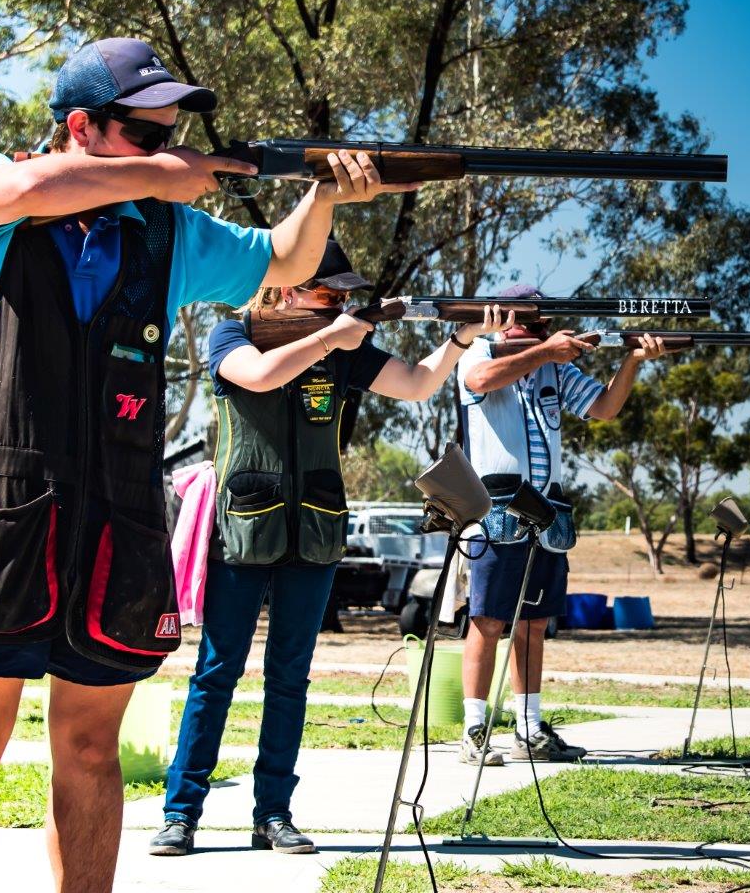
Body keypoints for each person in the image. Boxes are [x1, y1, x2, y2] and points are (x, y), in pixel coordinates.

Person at [0, 37, 414, 893]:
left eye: (170, 137)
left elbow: (286, 261)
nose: (167, 151)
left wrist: (323, 194)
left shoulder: (165, 228)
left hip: (117, 516)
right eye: (146, 135)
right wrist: (162, 173)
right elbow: (30, 189)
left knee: (88, 750)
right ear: (79, 124)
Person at [149, 243, 511, 855]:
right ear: (285, 288)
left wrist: (458, 340)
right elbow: (260, 375)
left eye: (346, 295)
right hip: (242, 527)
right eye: (327, 292)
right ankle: (181, 814)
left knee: (290, 680)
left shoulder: (345, 347)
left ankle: (274, 815)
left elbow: (419, 385)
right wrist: (336, 336)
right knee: (216, 674)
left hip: (313, 530)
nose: (340, 303)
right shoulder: (231, 334)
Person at [455, 285, 672, 765]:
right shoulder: (479, 350)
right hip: (496, 508)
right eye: (532, 324)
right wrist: (543, 351)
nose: (542, 331)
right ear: (506, 321)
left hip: (547, 512)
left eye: (544, 324)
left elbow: (605, 407)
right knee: (487, 621)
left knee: (533, 624)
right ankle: (474, 730)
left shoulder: (554, 366)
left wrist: (633, 360)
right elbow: (483, 380)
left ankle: (528, 728)